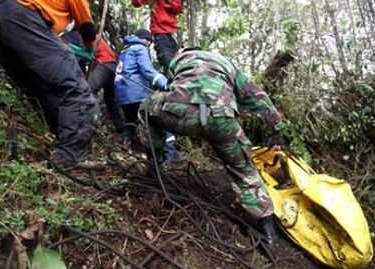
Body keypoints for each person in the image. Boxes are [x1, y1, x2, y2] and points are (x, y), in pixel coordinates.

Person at [138, 48, 284, 246]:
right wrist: (276, 129)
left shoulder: (179, 59)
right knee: (245, 171)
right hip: (221, 118)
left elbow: (171, 89)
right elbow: (256, 96)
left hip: (181, 114)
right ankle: (267, 233)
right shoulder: (226, 64)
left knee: (146, 106)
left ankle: (154, 167)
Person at [0, 0, 103, 169]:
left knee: (40, 88)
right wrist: (90, 48)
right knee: (74, 86)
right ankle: (71, 154)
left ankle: (61, 141)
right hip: (19, 15)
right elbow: (86, 28)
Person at [114, 29, 180, 161]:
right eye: (149, 41)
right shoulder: (139, 48)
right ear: (145, 39)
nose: (150, 45)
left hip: (122, 94)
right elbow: (147, 70)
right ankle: (171, 155)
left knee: (130, 120)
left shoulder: (125, 51)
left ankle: (125, 146)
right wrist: (166, 84)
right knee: (161, 119)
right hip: (136, 93)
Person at [131, 0, 182, 72]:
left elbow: (177, 8)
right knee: (168, 62)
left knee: (177, 62)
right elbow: (136, 3)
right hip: (160, 31)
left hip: (172, 32)